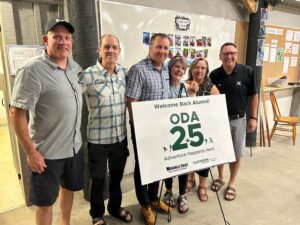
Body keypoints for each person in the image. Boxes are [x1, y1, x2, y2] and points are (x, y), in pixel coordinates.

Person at [9, 19, 83, 225]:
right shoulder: (32, 70)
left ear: (72, 41)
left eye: (67, 38)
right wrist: (31, 152)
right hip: (47, 154)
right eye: (57, 37)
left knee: (68, 189)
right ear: (45, 40)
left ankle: (65, 222)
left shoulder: (74, 67)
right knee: (45, 203)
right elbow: (16, 113)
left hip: (73, 148)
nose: (63, 42)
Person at [79, 34, 132, 225]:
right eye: (106, 47)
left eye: (114, 47)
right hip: (98, 141)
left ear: (119, 51)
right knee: (98, 179)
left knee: (116, 178)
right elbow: (71, 99)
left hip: (119, 139)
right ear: (99, 50)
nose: (110, 51)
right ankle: (97, 214)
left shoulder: (124, 73)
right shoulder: (87, 75)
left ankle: (115, 207)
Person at [126, 33, 172, 225]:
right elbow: (131, 101)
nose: (162, 51)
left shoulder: (167, 69)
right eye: (158, 47)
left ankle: (154, 198)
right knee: (143, 166)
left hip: (163, 128)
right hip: (144, 128)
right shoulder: (138, 70)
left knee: (159, 163)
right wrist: (140, 127)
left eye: (165, 48)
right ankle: (144, 204)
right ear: (150, 48)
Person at [209, 42, 258, 201]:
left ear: (236, 55)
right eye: (225, 54)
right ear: (220, 56)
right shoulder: (214, 75)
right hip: (219, 120)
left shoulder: (247, 72)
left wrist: (253, 117)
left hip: (239, 119)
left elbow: (254, 95)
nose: (229, 56)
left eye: (232, 53)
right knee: (220, 151)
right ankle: (221, 177)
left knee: (236, 153)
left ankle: (232, 183)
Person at [162, 56, 198, 213]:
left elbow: (192, 108)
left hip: (182, 134)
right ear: (170, 68)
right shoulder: (164, 86)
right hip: (167, 131)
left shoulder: (186, 87)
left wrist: (193, 93)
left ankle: (182, 195)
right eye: (176, 66)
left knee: (184, 165)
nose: (179, 70)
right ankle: (168, 191)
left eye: (182, 68)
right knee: (169, 164)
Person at [184, 57, 220, 202]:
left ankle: (202, 186)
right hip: (187, 127)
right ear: (191, 69)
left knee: (203, 158)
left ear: (206, 71)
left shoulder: (210, 87)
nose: (199, 70)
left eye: (203, 68)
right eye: (196, 67)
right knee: (188, 156)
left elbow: (218, 107)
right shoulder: (184, 84)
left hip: (204, 129)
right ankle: (191, 179)